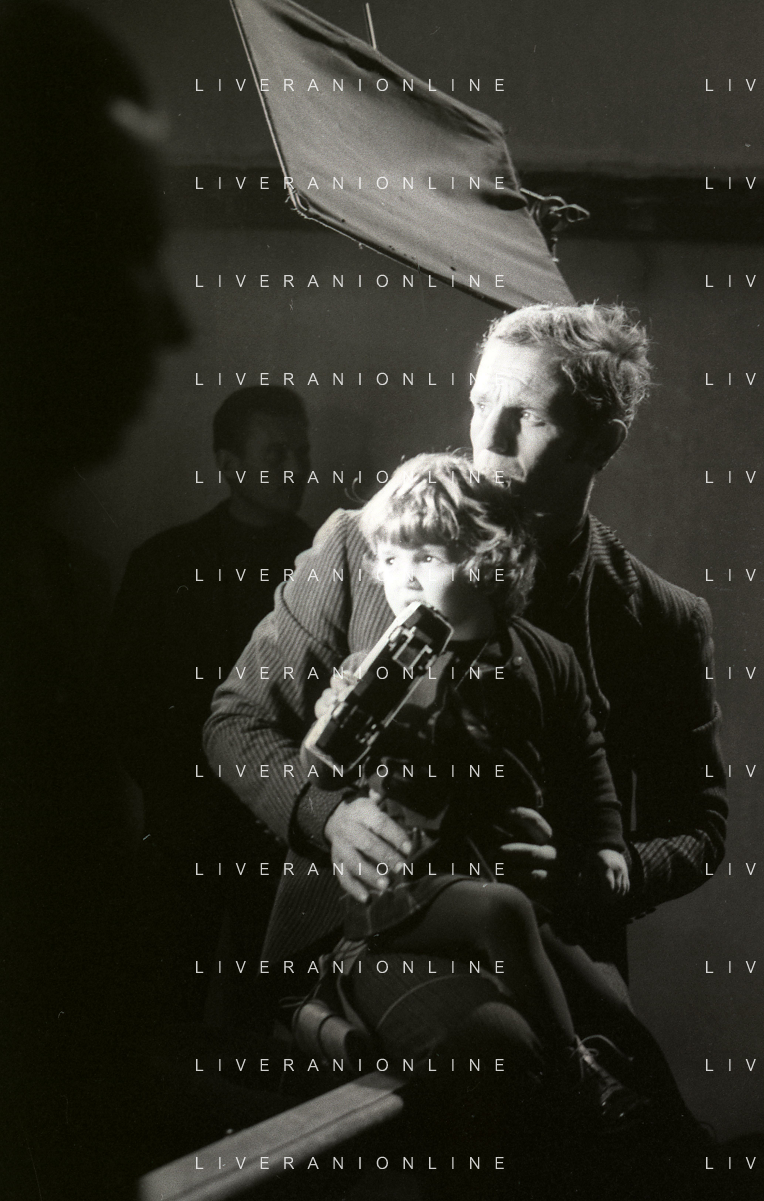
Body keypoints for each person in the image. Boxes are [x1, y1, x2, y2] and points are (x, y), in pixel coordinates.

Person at [203, 302, 726, 1133]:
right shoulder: (366, 543)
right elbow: (235, 722)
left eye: (529, 416)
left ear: (601, 443)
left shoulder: (659, 618)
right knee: (499, 1078)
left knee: (639, 1129)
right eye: (481, 401)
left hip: (549, 947)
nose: (487, 436)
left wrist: (599, 869)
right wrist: (326, 815)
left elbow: (700, 828)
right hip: (371, 937)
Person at [303, 453, 646, 1125]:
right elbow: (329, 774)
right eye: (390, 559)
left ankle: (661, 1133)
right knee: (502, 913)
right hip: (409, 887)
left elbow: (588, 762)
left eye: (426, 557)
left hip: (504, 876)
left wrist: (606, 842)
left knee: (607, 998)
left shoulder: (545, 658)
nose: (403, 578)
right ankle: (577, 1068)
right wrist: (338, 723)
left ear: (492, 564)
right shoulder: (381, 667)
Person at [107, 385, 313, 1020]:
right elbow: (124, 699)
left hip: (283, 835)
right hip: (185, 830)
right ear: (228, 463)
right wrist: (176, 797)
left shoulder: (329, 568)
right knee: (165, 1002)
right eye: (275, 453)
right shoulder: (163, 563)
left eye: (301, 452)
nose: (296, 469)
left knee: (271, 1016)